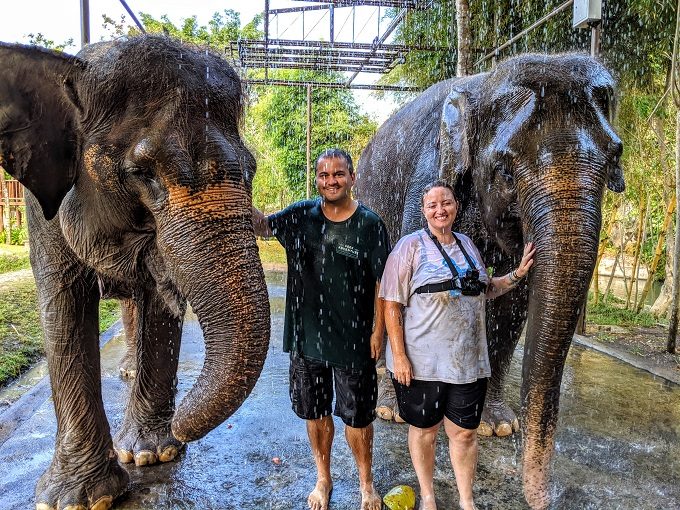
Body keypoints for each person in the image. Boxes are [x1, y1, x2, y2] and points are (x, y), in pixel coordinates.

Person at [380, 179, 535, 510]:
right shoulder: (409, 247)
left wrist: (517, 274)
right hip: (422, 364)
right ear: (424, 212)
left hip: (467, 364)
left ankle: (467, 501)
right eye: (432, 205)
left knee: (464, 434)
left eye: (446, 202)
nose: (440, 209)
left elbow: (484, 288)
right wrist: (401, 358)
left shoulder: (467, 245)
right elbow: (391, 303)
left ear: (456, 207)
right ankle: (428, 496)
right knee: (425, 431)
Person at [252, 148, 390, 510]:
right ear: (317, 178)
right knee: (315, 412)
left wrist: (379, 333)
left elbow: (382, 284)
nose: (331, 181)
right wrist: (234, 192)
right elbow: (263, 226)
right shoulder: (302, 216)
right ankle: (323, 478)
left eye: (339, 174)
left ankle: (366, 482)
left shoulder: (370, 225)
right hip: (307, 338)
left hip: (354, 340)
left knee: (358, 417)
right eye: (324, 175)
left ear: (352, 177)